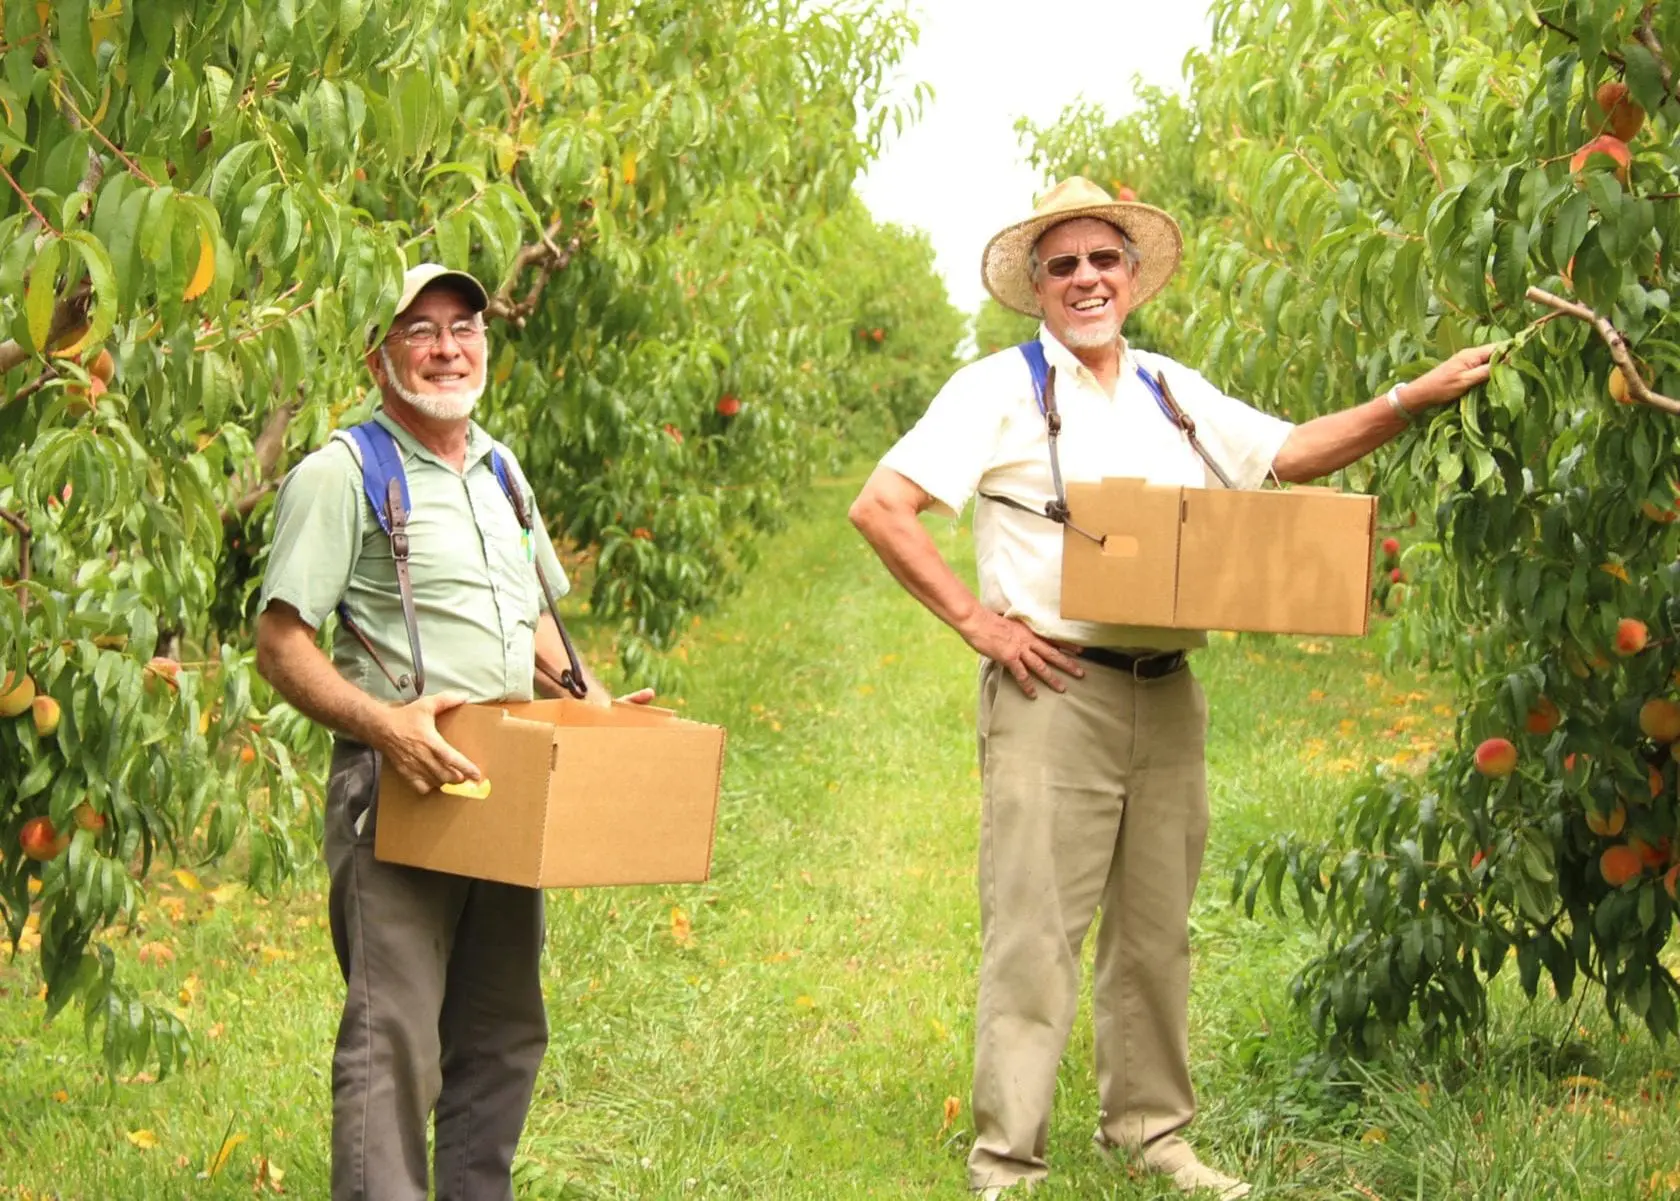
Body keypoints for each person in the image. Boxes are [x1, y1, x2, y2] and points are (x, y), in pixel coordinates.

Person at [848, 178, 1493, 1199]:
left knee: (1156, 925)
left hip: (1167, 685)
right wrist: (982, 625)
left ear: (1134, 276)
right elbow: (884, 506)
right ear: (1036, 288)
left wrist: (1412, 397)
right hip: (1055, 686)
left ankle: (1149, 1130)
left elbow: (1286, 455)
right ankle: (1005, 1160)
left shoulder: (1168, 390)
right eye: (1062, 265)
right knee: (1034, 928)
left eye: (1104, 259)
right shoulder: (1000, 389)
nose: (1086, 278)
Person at [254, 263, 649, 1201]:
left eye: (462, 327)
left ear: (485, 342)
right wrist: (385, 726)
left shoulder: (500, 469)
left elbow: (535, 617)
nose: (445, 348)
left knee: (502, 1027)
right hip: (401, 786)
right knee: (395, 1037)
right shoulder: (341, 474)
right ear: (379, 355)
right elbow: (281, 645)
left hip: (504, 780)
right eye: (420, 330)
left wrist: (589, 703)